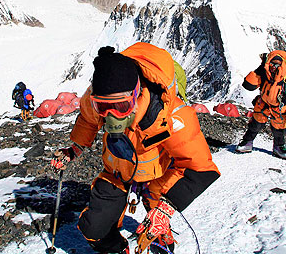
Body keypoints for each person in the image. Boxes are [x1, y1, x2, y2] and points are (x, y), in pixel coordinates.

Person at [51, 43, 220, 254]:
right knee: (94, 228)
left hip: (158, 174)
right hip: (117, 170)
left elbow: (203, 168)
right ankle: (117, 249)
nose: (111, 116)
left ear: (136, 93)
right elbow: (87, 120)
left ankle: (162, 236)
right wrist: (74, 149)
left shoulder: (172, 116)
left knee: (155, 224)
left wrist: (167, 208)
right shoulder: (95, 95)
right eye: (103, 107)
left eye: (121, 106)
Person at [236, 50, 286, 159]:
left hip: (280, 107)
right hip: (263, 104)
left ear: (283, 64)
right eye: (272, 63)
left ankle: (279, 147)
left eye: (277, 64)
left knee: (279, 128)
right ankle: (247, 142)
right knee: (255, 124)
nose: (274, 66)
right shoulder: (264, 72)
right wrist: (259, 70)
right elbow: (248, 85)